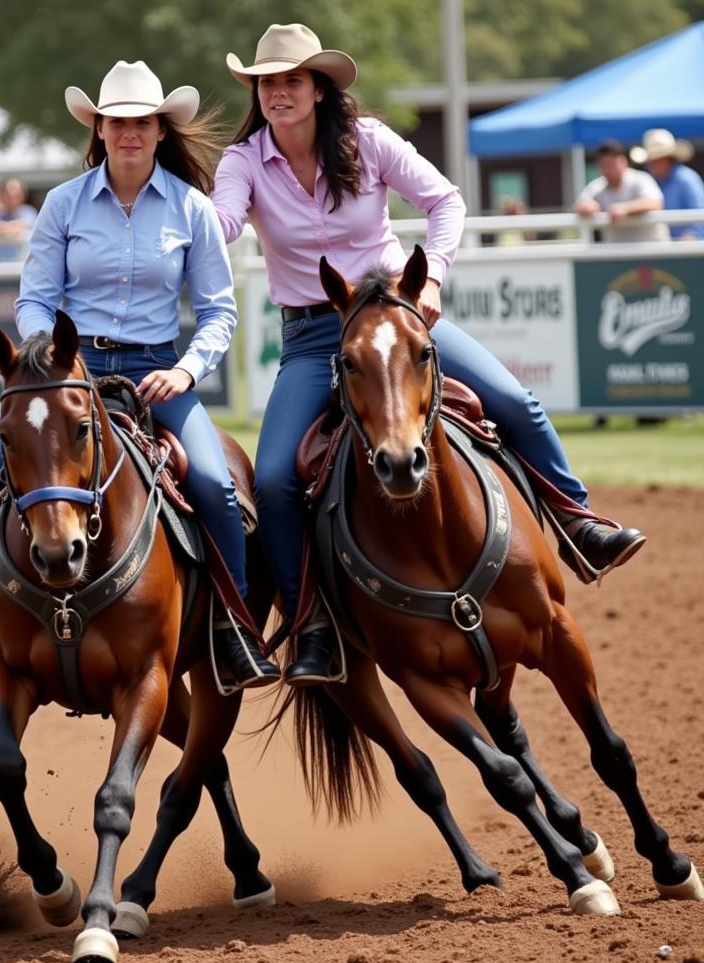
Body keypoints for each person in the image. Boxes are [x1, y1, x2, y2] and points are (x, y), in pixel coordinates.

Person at [214, 24, 645, 684]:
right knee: (273, 479)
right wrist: (186, 231)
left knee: (511, 398)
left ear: (319, 88)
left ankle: (577, 519)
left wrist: (434, 276)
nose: (279, 93)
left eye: (292, 80)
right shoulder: (243, 162)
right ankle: (315, 627)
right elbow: (220, 221)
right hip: (312, 334)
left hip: (398, 317)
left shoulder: (369, 141)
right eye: (268, 83)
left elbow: (445, 199)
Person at [0, 60, 279, 694]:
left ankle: (232, 632)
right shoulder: (62, 204)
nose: (129, 132)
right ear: (98, 130)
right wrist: (45, 352)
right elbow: (34, 297)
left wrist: (186, 372)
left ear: (161, 131)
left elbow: (219, 310)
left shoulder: (191, 209)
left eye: (141, 123)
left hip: (154, 372)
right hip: (64, 372)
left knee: (216, 485)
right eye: (116, 123)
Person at [573, 139, 667, 243]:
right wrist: (586, 208)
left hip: (652, 251)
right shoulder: (596, 187)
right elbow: (579, 205)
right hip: (616, 253)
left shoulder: (641, 179)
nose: (608, 169)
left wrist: (626, 208)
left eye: (612, 164)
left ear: (624, 161)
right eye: (604, 164)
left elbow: (655, 203)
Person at [630, 129, 704, 241]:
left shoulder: (686, 179)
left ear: (667, 159)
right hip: (662, 247)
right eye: (650, 161)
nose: (650, 165)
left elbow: (701, 213)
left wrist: (692, 236)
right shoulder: (651, 181)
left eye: (655, 160)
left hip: (690, 249)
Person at [0, 177, 37, 261]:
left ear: (23, 194)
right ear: (2, 194)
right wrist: (16, 227)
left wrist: (6, 227)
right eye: (8, 191)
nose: (12, 194)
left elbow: (28, 225)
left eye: (16, 191)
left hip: (22, 267)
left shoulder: (29, 212)